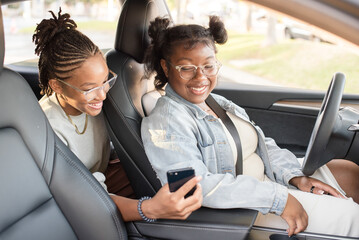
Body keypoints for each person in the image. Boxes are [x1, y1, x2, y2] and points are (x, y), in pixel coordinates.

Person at [140, 16, 359, 237]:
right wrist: (278, 199)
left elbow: (262, 145)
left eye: (208, 66)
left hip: (268, 182)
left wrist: (294, 177)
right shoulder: (166, 121)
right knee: (351, 215)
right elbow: (192, 188)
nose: (201, 77)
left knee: (349, 173)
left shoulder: (217, 103)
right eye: (186, 68)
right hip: (245, 206)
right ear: (166, 68)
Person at [33, 9, 202, 222]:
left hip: (101, 176)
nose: (103, 93)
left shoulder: (93, 102)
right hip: (80, 199)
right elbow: (85, 197)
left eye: (106, 80)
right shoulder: (48, 128)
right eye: (89, 88)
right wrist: (150, 208)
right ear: (57, 85)